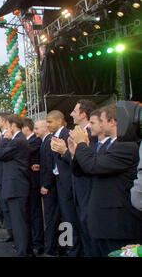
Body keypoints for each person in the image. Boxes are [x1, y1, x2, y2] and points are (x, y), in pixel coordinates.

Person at [69, 104, 142, 257]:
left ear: (113, 122)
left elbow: (93, 166)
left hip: (116, 224)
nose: (100, 125)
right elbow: (82, 171)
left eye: (102, 121)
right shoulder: (106, 146)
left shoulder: (126, 147)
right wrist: (75, 152)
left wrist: (82, 144)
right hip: (101, 222)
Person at [0, 114, 32, 257]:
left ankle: (23, 251)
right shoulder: (18, 140)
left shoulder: (17, 141)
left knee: (19, 222)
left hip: (16, 186)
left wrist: (4, 139)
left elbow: (0, 154)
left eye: (8, 125)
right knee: (20, 221)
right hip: (16, 185)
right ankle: (24, 249)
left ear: (12, 125)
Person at [48, 110, 81, 257]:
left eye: (50, 122)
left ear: (60, 121)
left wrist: (64, 152)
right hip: (58, 181)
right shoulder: (53, 137)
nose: (48, 125)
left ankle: (73, 250)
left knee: (70, 218)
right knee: (63, 217)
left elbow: (76, 159)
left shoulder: (68, 135)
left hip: (69, 183)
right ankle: (65, 247)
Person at [67, 99, 98, 256]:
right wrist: (71, 153)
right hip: (78, 191)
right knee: (83, 233)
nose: (71, 114)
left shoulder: (93, 136)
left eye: (74, 111)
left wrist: (73, 151)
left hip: (89, 191)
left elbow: (90, 164)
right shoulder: (76, 135)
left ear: (83, 114)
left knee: (92, 237)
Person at [34, 119, 60, 257]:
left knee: (51, 218)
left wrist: (46, 185)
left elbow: (51, 166)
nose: (35, 131)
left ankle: (51, 249)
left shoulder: (49, 141)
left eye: (37, 128)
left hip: (50, 187)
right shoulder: (44, 142)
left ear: (45, 129)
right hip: (48, 185)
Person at [22, 118, 44, 255]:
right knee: (29, 213)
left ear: (25, 128)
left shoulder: (35, 141)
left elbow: (23, 153)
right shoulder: (27, 142)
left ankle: (38, 243)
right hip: (27, 182)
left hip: (34, 182)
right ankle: (31, 241)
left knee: (36, 214)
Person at [0, 113, 13, 242]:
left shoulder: (8, 136)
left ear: (5, 121)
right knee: (4, 206)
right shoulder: (2, 136)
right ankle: (10, 232)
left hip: (6, 176)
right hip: (0, 176)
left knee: (9, 207)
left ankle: (13, 233)